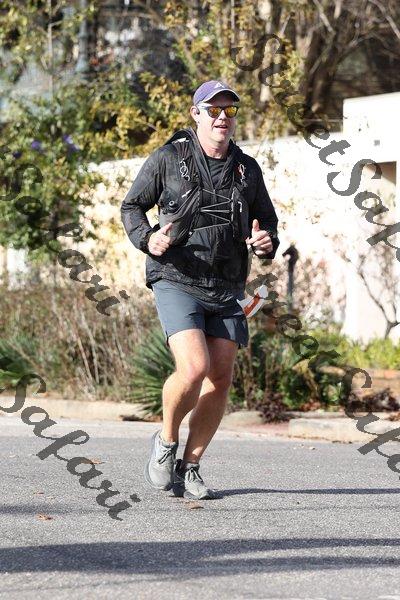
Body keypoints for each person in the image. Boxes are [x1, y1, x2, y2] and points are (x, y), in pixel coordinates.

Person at [121, 80, 280, 500]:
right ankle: (166, 441)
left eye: (229, 110)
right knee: (193, 368)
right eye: (213, 110)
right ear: (196, 114)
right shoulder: (169, 158)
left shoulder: (247, 170)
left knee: (220, 377)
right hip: (176, 277)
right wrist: (147, 238)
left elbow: (267, 222)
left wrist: (266, 242)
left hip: (227, 284)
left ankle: (190, 464)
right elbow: (132, 206)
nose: (222, 118)